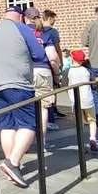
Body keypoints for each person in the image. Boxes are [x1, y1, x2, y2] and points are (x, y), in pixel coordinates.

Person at [0, 5, 48, 188]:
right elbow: (38, 53)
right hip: (18, 84)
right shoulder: (21, 28)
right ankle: (13, 163)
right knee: (29, 123)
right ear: (20, 16)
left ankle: (11, 162)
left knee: (7, 125)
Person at [25, 7, 60, 139]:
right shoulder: (44, 32)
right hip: (42, 70)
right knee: (43, 106)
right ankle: (42, 140)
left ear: (25, 17)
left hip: (25, 71)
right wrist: (56, 74)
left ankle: (25, 139)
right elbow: (53, 58)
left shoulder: (21, 31)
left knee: (25, 105)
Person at [67, 50, 98, 153]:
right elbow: (94, 85)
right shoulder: (87, 71)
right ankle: (93, 139)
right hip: (88, 99)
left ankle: (82, 144)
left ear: (72, 59)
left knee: (79, 123)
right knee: (92, 121)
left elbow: (63, 85)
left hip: (75, 101)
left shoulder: (68, 71)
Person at [42, 10, 66, 119]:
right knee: (54, 86)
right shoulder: (53, 31)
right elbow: (57, 48)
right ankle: (53, 109)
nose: (55, 20)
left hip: (42, 62)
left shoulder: (39, 30)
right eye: (54, 18)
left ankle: (50, 110)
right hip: (52, 62)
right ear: (50, 18)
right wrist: (60, 61)